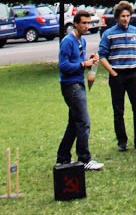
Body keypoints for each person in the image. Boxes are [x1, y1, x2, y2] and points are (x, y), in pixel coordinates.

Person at [56, 10, 104, 171]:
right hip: (71, 86)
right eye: (84, 23)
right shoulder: (68, 41)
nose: (87, 26)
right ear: (75, 23)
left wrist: (88, 61)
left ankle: (63, 157)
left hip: (78, 83)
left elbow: (77, 62)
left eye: (89, 23)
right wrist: (84, 65)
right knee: (84, 121)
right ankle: (84, 159)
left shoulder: (81, 41)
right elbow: (63, 66)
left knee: (74, 123)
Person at [98, 1, 136, 153]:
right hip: (117, 75)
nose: (125, 19)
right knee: (119, 110)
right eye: (122, 16)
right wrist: (112, 72)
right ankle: (122, 141)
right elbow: (102, 55)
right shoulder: (109, 34)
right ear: (117, 17)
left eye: (128, 16)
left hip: (133, 74)